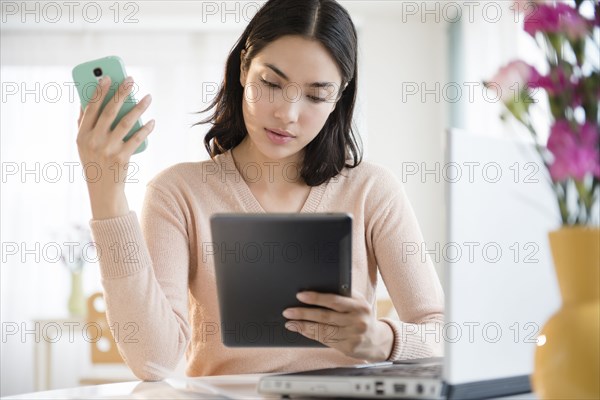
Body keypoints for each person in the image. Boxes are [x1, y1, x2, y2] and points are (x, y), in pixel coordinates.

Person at [76, 0, 444, 381]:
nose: (287, 113)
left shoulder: (372, 191)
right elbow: (154, 362)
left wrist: (382, 340)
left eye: (316, 96)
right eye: (271, 83)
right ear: (242, 70)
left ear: (339, 98)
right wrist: (106, 197)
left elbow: (443, 333)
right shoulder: (177, 193)